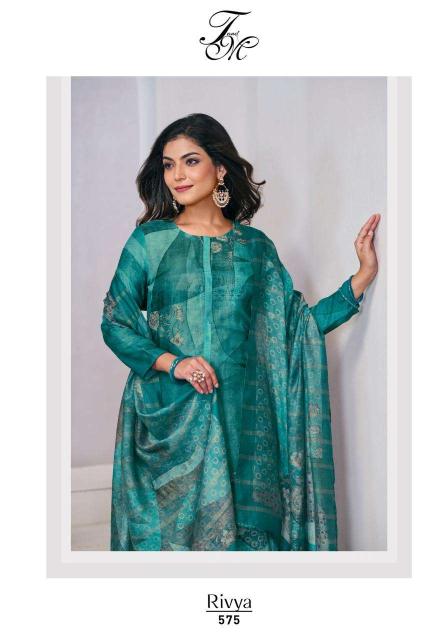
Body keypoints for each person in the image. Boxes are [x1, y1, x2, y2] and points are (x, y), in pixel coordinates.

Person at [101, 113, 380, 551]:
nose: (177, 175)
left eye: (191, 161)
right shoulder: (149, 242)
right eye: (169, 164)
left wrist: (360, 279)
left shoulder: (255, 248)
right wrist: (176, 364)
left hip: (242, 421)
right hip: (167, 419)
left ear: (220, 168)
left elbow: (294, 328)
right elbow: (115, 321)